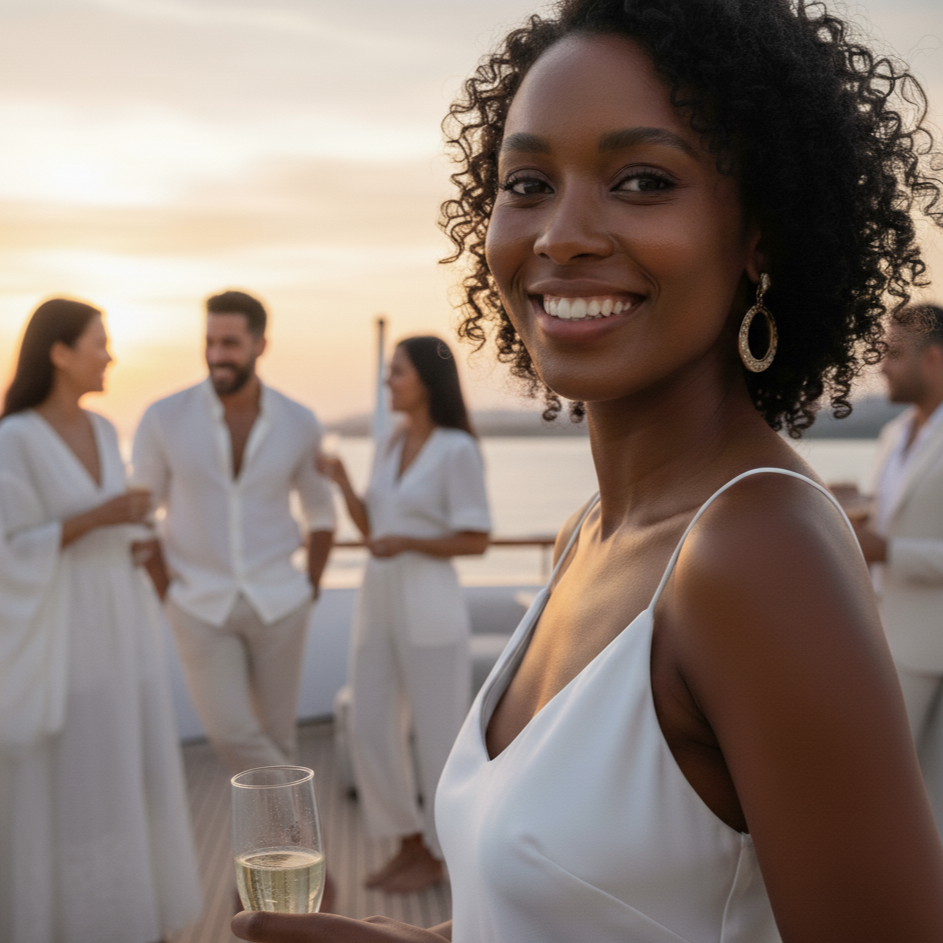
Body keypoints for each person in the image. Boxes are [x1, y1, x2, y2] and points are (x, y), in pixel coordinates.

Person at [233, 1, 943, 941]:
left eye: (642, 180)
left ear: (760, 233)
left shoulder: (757, 553)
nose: (560, 233)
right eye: (525, 182)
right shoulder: (588, 532)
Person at [0, 298, 201, 943]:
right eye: (98, 342)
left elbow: (116, 522)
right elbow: (8, 547)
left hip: (121, 621)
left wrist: (135, 538)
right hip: (58, 630)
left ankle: (125, 918)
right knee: (72, 776)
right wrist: (102, 516)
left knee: (123, 766)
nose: (110, 355)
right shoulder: (15, 438)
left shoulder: (102, 426)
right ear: (58, 352)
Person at [132, 290, 336, 776]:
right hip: (197, 604)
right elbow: (141, 515)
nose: (217, 355)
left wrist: (309, 588)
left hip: (281, 603)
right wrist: (168, 594)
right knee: (230, 734)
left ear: (259, 344)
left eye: (230, 342)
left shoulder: (298, 420)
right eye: (209, 342)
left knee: (277, 737)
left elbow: (321, 513)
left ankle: (283, 852)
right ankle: (303, 831)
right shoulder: (164, 417)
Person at [317, 336, 491, 894]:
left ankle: (443, 853)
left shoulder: (456, 449)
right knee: (371, 725)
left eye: (396, 372)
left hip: (430, 602)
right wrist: (344, 483)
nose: (388, 382)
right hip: (380, 599)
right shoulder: (390, 442)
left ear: (425, 381)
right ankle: (407, 841)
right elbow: (374, 533)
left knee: (438, 734)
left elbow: (476, 538)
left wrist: (411, 543)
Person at [851, 305, 943, 745]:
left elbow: (889, 544)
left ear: (935, 358)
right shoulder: (894, 433)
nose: (882, 367)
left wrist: (887, 551)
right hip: (884, 640)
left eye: (894, 354)